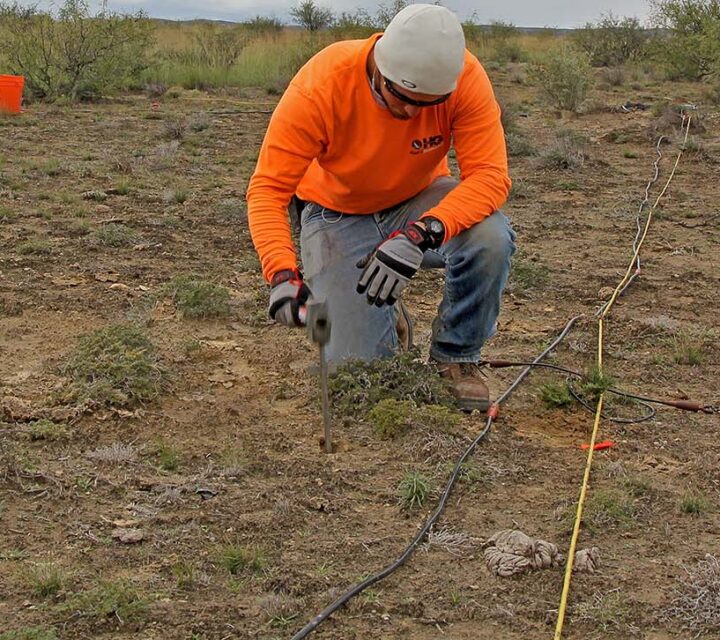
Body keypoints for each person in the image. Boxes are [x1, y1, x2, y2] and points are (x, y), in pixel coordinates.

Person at [246, 4, 515, 412]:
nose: (411, 112)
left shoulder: (466, 77)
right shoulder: (323, 84)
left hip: (419, 201)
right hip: (334, 214)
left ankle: (455, 358)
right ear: (379, 67)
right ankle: (387, 316)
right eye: (402, 98)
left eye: (427, 104)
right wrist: (281, 272)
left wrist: (422, 232)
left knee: (490, 238)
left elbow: (490, 177)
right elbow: (267, 188)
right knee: (356, 377)